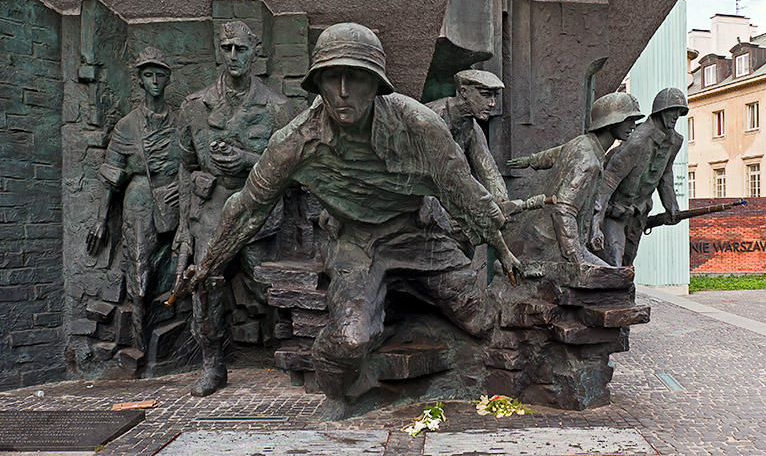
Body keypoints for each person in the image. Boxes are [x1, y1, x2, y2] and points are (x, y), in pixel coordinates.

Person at [179, 22, 521, 401]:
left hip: (416, 234)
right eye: (331, 79)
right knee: (349, 340)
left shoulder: (420, 126)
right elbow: (245, 209)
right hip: (354, 241)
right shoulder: (295, 141)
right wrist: (209, 263)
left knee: (480, 316)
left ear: (376, 84)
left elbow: (464, 190)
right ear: (317, 84)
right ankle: (349, 391)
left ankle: (407, 326)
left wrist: (501, 247)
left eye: (355, 78)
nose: (343, 92)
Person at [174, 20, 293, 396]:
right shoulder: (195, 107)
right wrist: (182, 224)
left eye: (240, 49)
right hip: (211, 210)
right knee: (205, 284)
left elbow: (292, 168)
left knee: (271, 282)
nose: (233, 56)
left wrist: (247, 160)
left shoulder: (277, 107)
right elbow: (185, 165)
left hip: (256, 210)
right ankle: (213, 364)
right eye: (226, 48)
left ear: (255, 52)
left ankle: (299, 350)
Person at [86, 47, 180, 354]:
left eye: (160, 75)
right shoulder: (127, 125)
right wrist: (100, 220)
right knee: (139, 264)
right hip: (139, 197)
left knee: (180, 260)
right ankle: (140, 340)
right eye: (148, 75)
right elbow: (111, 175)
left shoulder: (179, 121)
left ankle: (178, 330)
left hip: (176, 195)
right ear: (140, 80)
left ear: (168, 79)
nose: (154, 81)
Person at [506, 93, 643, 267]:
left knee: (613, 275)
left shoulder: (584, 142)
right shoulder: (589, 162)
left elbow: (556, 153)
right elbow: (563, 211)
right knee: (615, 281)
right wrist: (577, 260)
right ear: (611, 122)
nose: (633, 126)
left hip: (552, 236)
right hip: (550, 245)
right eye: (628, 119)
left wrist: (531, 160)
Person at [589, 87, 688, 267]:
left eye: (679, 112)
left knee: (628, 263)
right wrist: (596, 223)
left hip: (638, 214)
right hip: (615, 212)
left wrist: (671, 206)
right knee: (614, 264)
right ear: (661, 111)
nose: (676, 115)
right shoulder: (637, 141)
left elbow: (665, 174)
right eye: (672, 110)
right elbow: (608, 182)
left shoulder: (675, 141)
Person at [426, 69, 507, 202]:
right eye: (485, 95)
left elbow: (488, 169)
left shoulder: (472, 127)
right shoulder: (434, 116)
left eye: (494, 96)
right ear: (464, 92)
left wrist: (504, 203)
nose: (492, 103)